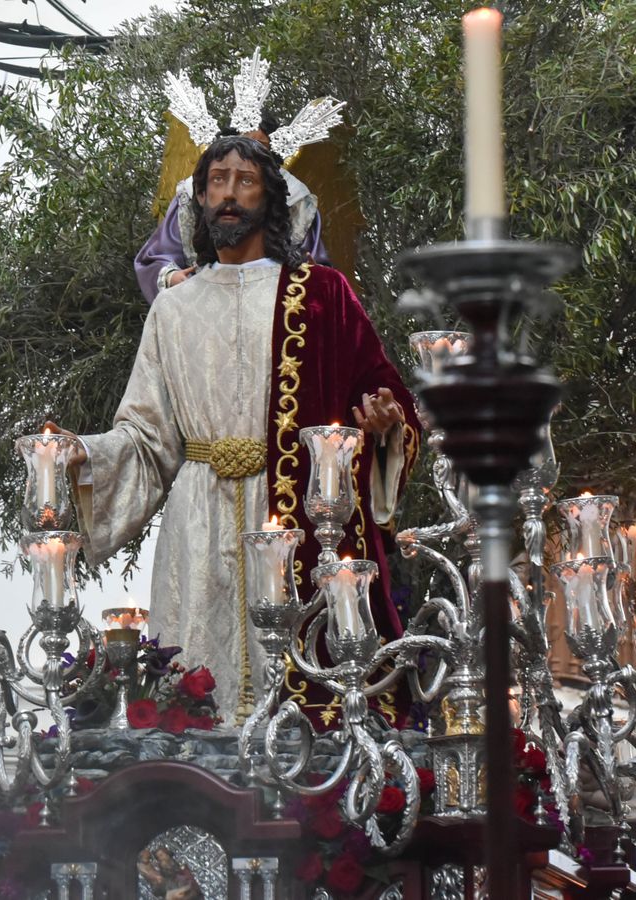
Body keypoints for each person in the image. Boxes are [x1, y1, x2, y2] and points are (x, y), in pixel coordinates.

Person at [55, 134, 422, 724]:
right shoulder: (172, 308)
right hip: (197, 521)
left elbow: (384, 399)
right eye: (216, 181)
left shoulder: (324, 296)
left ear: (269, 198)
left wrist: (385, 427)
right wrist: (87, 456)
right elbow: (147, 438)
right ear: (198, 199)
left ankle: (310, 800)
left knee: (301, 690)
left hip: (296, 520)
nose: (229, 194)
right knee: (198, 685)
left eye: (244, 181)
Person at [134, 112, 330, 302]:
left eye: (258, 147)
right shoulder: (192, 191)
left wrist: (308, 280)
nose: (229, 193)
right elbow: (160, 254)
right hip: (202, 299)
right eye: (242, 142)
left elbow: (315, 271)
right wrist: (172, 277)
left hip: (272, 303)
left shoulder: (297, 199)